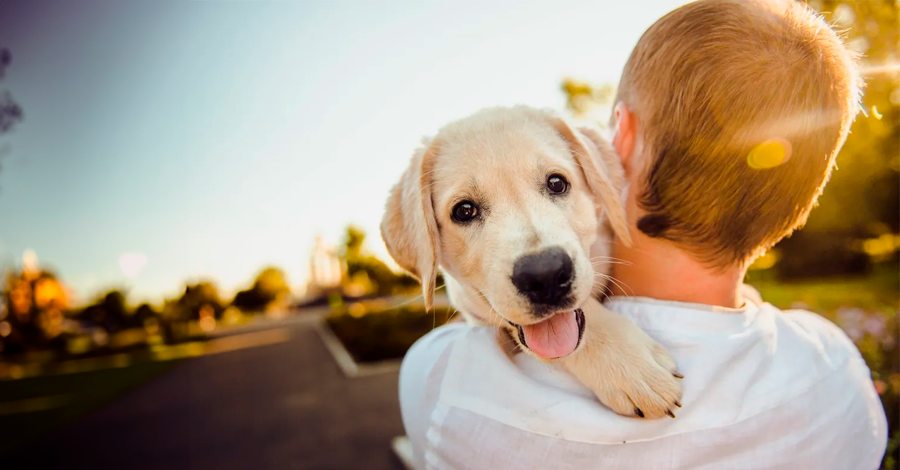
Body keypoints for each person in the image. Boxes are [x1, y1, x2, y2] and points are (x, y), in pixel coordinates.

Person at [398, 0, 889, 468]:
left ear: (619, 140)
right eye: (466, 210)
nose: (539, 256)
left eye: (555, 184)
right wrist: (592, 337)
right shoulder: (837, 372)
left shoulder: (444, 383)